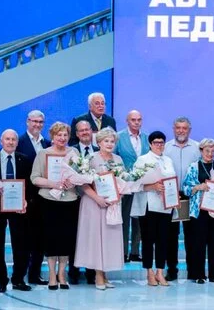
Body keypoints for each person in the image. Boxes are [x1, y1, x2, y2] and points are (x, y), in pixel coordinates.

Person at [30, 122, 80, 290]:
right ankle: (52, 275)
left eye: (65, 135)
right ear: (52, 136)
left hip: (70, 200)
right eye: (59, 135)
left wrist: (72, 181)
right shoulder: (43, 154)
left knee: (66, 239)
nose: (62, 138)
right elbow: (34, 178)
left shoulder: (74, 153)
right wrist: (54, 184)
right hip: (48, 201)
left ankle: (62, 274)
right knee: (51, 239)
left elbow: (81, 174)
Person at [74, 128, 125, 290]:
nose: (109, 144)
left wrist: (119, 195)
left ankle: (105, 273)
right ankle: (98, 275)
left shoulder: (118, 159)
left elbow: (122, 181)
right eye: (106, 141)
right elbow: (82, 183)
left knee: (108, 238)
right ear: (99, 142)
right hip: (93, 203)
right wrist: (97, 198)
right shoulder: (90, 158)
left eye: (112, 141)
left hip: (111, 205)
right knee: (96, 239)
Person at [0, 129, 32, 292]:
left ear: (17, 143)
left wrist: (26, 200)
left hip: (19, 209)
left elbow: (29, 185)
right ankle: (1, 281)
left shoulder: (24, 159)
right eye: (7, 139)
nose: (10, 142)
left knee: (21, 246)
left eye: (13, 139)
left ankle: (18, 279)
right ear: (1, 141)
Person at [131, 131, 176, 286]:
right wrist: (152, 186)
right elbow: (134, 183)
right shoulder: (142, 160)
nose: (159, 145)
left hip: (165, 205)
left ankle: (160, 272)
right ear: (150, 144)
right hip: (148, 205)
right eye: (156, 143)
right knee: (148, 240)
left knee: (163, 240)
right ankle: (149, 272)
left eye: (162, 143)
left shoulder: (168, 160)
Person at [182, 138, 214, 284]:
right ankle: (198, 275)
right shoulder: (193, 167)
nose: (210, 153)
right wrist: (198, 187)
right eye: (207, 150)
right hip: (199, 210)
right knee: (198, 243)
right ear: (201, 151)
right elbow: (185, 188)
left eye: (213, 151)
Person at [16, 110, 51, 285]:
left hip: (45, 198)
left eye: (40, 122)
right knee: (24, 239)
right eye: (34, 121)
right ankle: (20, 277)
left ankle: (34, 275)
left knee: (40, 239)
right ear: (27, 122)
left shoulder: (48, 143)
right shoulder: (19, 142)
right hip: (25, 198)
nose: (37, 124)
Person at [164, 116, 200, 281]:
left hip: (190, 196)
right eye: (178, 128)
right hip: (171, 195)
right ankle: (172, 270)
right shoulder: (165, 148)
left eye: (184, 128)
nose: (181, 131)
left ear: (189, 130)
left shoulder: (197, 148)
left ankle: (193, 270)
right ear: (173, 129)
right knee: (171, 236)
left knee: (191, 235)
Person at [67, 120, 99, 285]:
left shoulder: (99, 151)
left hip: (94, 200)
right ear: (77, 134)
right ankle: (73, 271)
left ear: (92, 131)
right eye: (81, 130)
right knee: (75, 235)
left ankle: (91, 272)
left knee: (92, 236)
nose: (85, 132)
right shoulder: (70, 152)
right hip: (75, 199)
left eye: (87, 129)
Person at [115, 110, 149, 263]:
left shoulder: (146, 138)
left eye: (139, 119)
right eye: (133, 119)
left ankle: (135, 251)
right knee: (124, 218)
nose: (136, 122)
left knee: (139, 218)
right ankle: (122, 252)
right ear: (127, 121)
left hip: (141, 184)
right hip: (124, 184)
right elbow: (113, 158)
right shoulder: (118, 137)